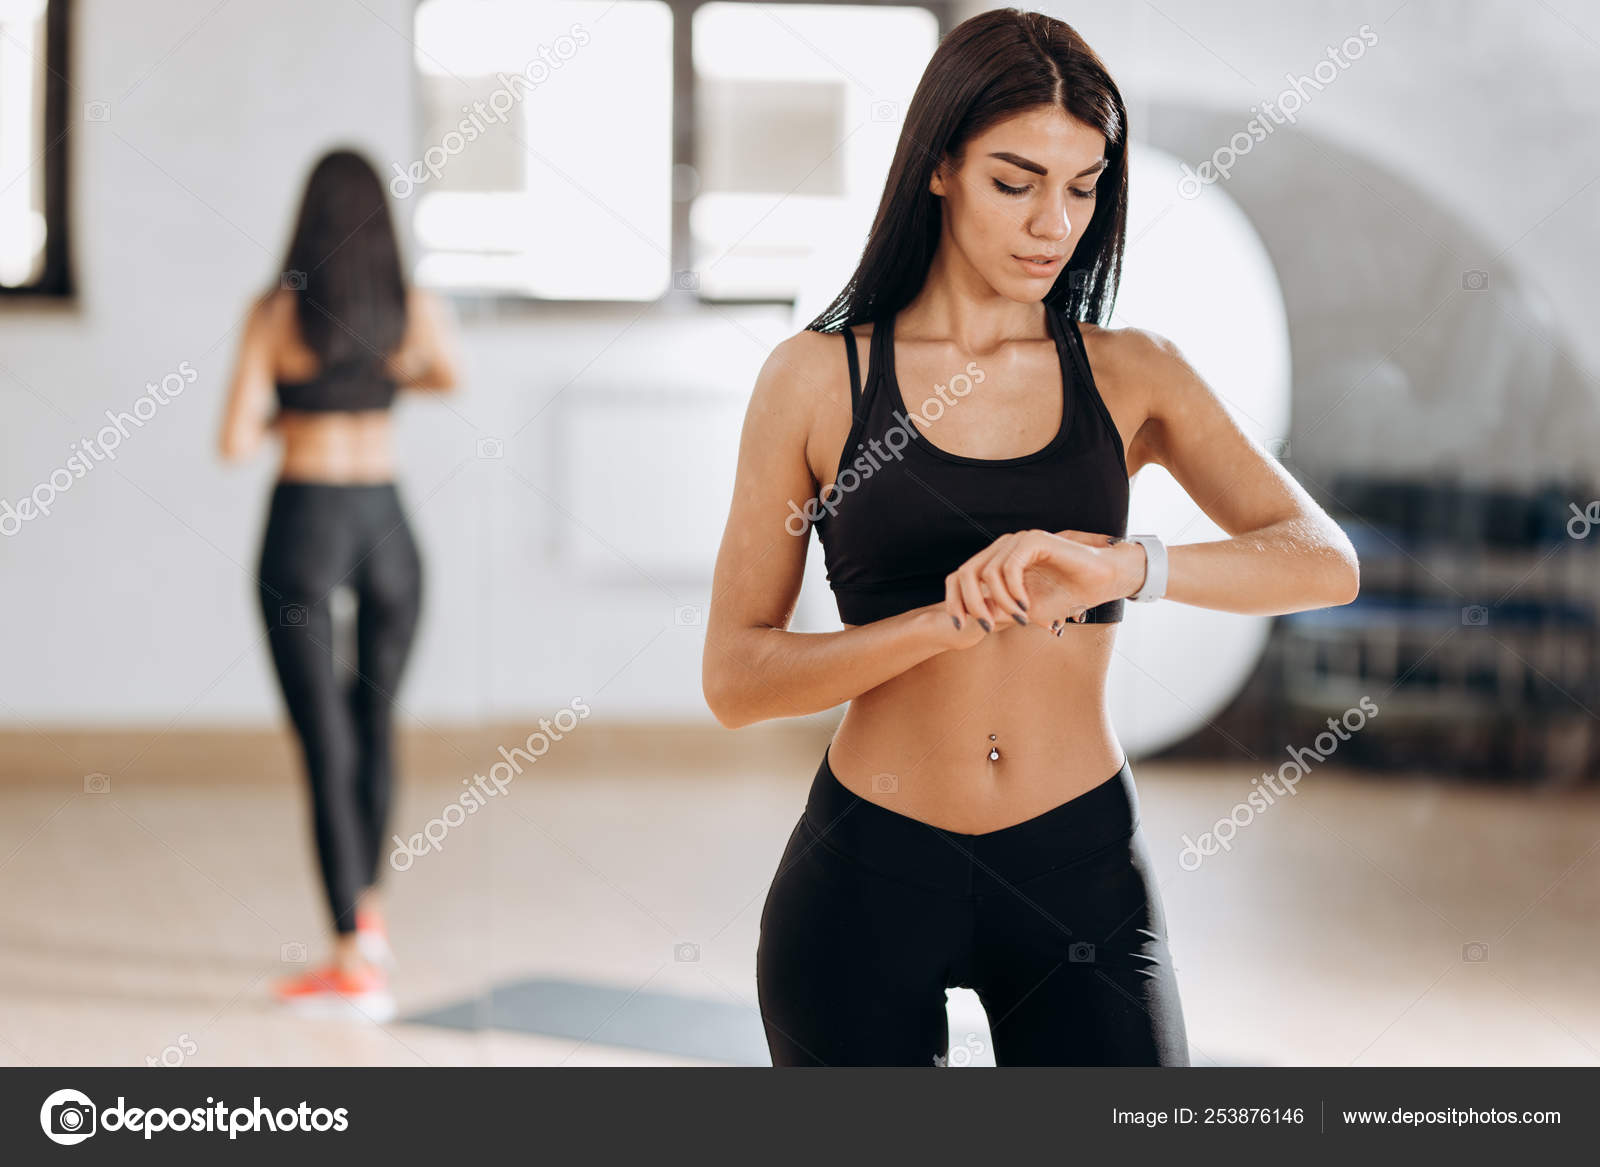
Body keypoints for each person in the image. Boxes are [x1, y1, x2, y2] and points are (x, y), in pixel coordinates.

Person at [702, 8, 1359, 1066]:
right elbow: (736, 679)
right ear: (939, 169)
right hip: (867, 868)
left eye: (1083, 186)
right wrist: (937, 623)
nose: (1053, 222)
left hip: (1077, 869)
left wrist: (1122, 567)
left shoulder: (1133, 371)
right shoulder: (817, 379)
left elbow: (1322, 561)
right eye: (1015, 182)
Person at [218, 147, 461, 1022]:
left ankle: (351, 959)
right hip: (389, 528)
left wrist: (292, 407)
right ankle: (373, 926)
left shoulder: (275, 312)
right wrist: (382, 375)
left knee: (325, 741)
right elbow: (449, 375)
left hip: (306, 525)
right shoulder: (410, 309)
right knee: (373, 723)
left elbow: (234, 442)